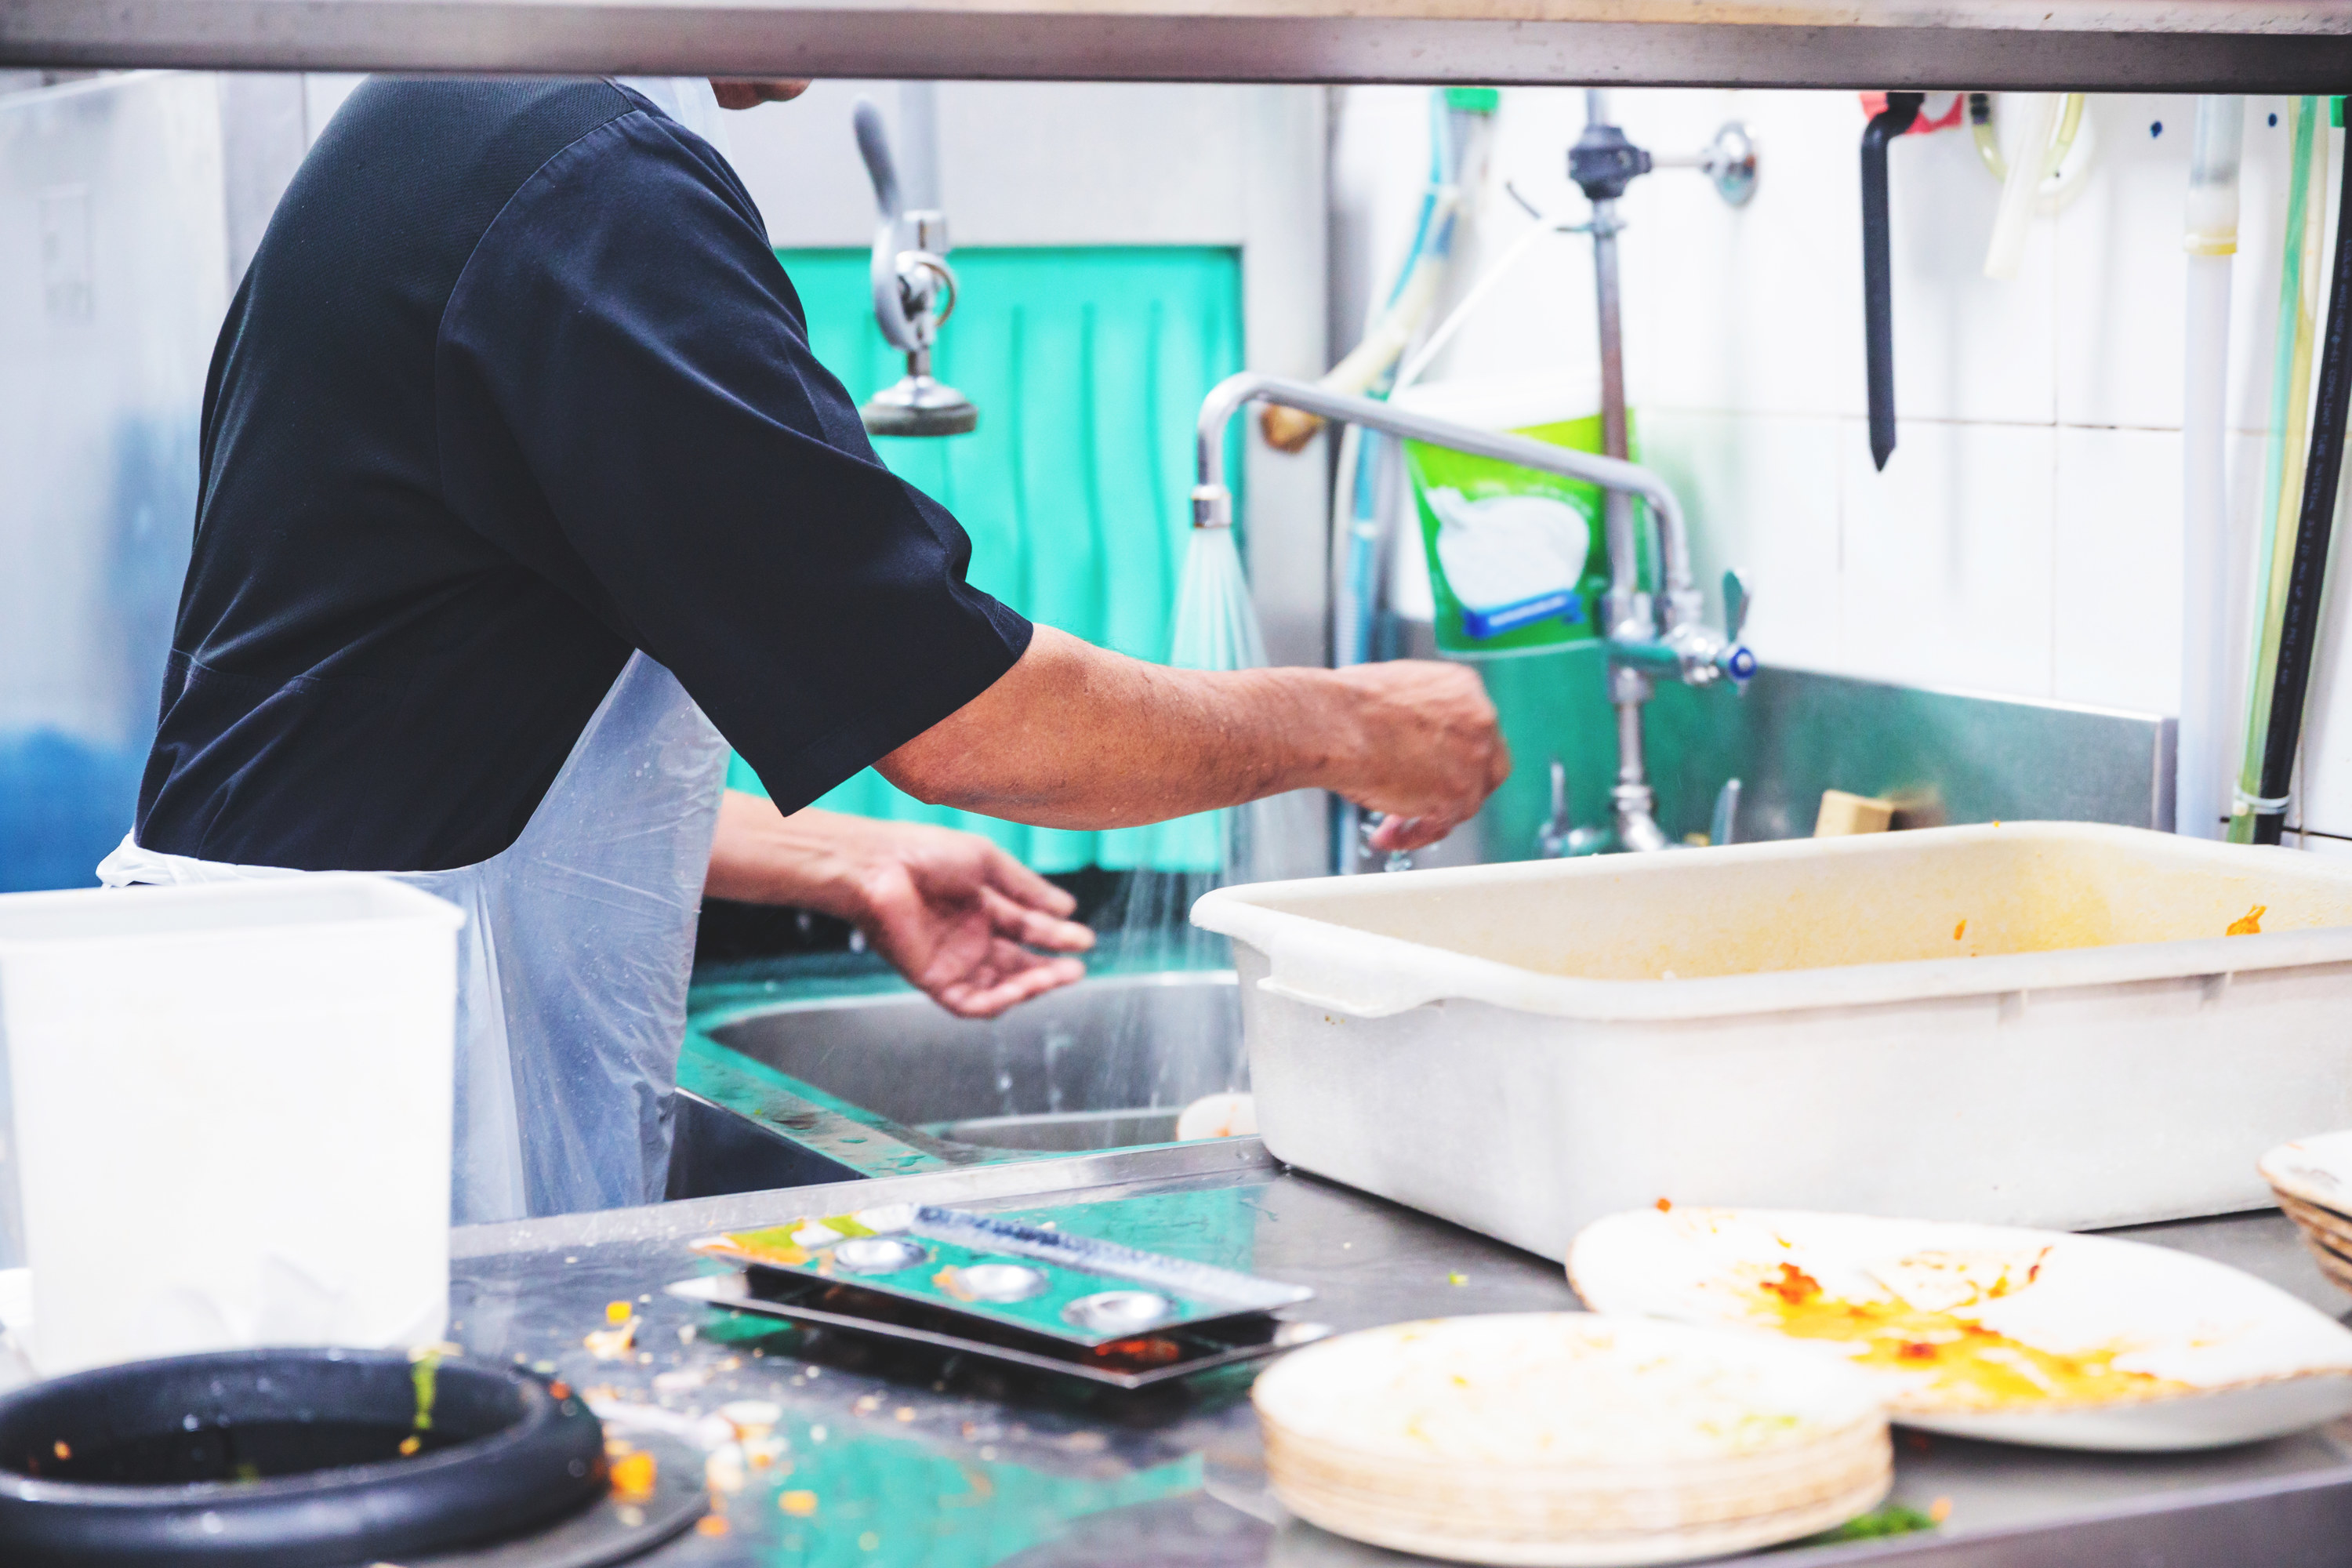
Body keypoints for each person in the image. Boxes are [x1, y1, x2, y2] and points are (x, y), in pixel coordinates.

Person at [103, 74, 1508, 1224]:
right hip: (366, 1116)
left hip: (302, 1049)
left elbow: (403, 736)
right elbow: (967, 720)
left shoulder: (456, 127)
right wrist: (1355, 724)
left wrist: (843, 856)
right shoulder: (583, 187)